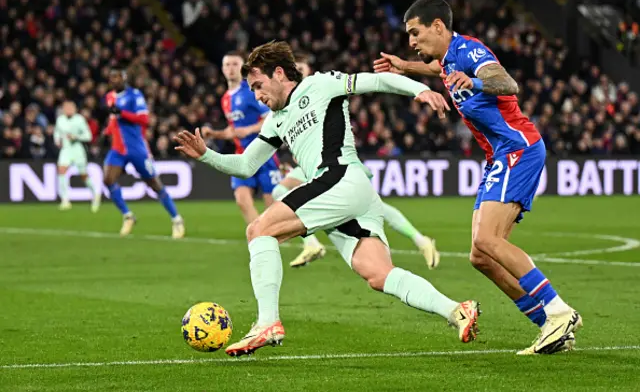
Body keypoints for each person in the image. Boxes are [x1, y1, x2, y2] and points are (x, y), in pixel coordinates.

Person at [174, 41, 479, 358]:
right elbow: (247, 164)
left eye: (258, 86)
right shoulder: (276, 120)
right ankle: (457, 310)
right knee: (377, 273)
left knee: (258, 230)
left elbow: (375, 81)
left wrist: (419, 91)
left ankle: (267, 322)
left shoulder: (321, 83)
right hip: (351, 193)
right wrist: (206, 155)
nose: (256, 96)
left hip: (340, 177)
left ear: (279, 73)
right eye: (252, 90)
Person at [374, 0, 581, 355]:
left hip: (518, 148)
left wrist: (476, 82)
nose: (411, 40)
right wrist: (404, 66)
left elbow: (506, 83)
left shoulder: (469, 53)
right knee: (480, 256)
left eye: (415, 33)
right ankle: (548, 324)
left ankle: (559, 311)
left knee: (488, 240)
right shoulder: (447, 59)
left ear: (438, 27)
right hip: (499, 156)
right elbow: (439, 71)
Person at [273, 55, 439, 268]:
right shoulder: (290, 107)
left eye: (303, 68)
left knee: (378, 206)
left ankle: (420, 239)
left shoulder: (321, 89)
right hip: (310, 167)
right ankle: (311, 244)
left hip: (338, 164)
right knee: (281, 191)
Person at [103, 66, 185, 239]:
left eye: (118, 76)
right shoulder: (109, 97)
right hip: (118, 148)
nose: (115, 80)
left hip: (137, 148)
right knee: (108, 179)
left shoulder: (134, 95)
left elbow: (144, 119)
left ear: (124, 77)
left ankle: (176, 219)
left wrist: (122, 113)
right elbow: (113, 120)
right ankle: (128, 216)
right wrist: (108, 130)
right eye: (112, 77)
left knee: (154, 184)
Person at [202, 52, 281, 225]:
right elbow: (233, 131)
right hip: (242, 155)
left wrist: (249, 129)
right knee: (242, 200)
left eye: (235, 64)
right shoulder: (225, 99)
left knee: (273, 207)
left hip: (264, 154)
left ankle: (276, 235)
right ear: (222, 69)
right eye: (227, 65)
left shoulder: (252, 91)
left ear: (242, 67)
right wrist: (214, 134)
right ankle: (259, 237)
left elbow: (272, 118)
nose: (231, 69)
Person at [54, 100, 101, 212]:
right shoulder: (60, 120)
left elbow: (88, 136)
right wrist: (57, 140)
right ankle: (65, 200)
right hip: (65, 149)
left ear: (74, 109)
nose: (68, 110)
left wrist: (76, 137)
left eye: (70, 107)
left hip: (77, 149)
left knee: (83, 175)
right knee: (61, 171)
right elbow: (57, 132)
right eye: (66, 108)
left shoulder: (79, 119)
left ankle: (96, 194)